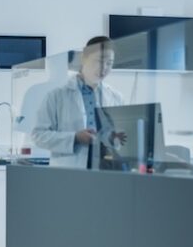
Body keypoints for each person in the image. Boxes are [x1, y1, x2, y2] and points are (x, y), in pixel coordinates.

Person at [31, 36, 124, 168]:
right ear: (84, 59)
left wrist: (114, 138)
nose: (104, 68)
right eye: (99, 61)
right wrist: (75, 138)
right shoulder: (56, 96)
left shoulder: (116, 97)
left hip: (104, 169)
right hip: (69, 171)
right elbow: (38, 135)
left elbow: (117, 138)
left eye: (109, 63)